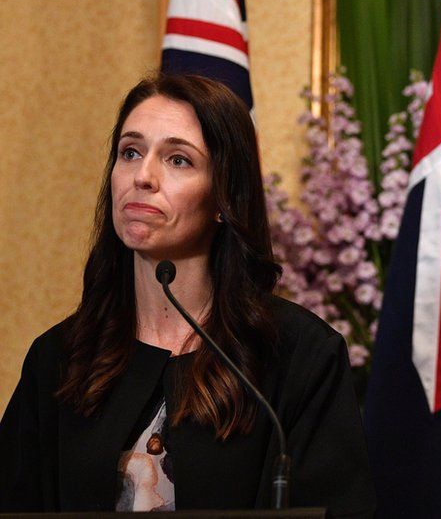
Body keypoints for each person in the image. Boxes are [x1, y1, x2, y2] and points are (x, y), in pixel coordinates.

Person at [0, 73, 376, 515]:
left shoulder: (299, 356)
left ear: (223, 196)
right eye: (130, 152)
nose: (143, 176)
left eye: (178, 160)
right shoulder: (60, 357)